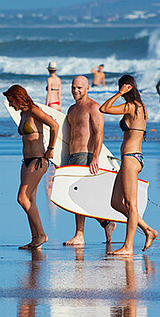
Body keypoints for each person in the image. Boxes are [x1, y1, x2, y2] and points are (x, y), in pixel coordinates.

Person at [99, 75, 158, 256]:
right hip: (130, 159)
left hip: (131, 159)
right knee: (116, 202)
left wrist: (118, 93)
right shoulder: (139, 107)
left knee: (131, 205)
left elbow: (104, 108)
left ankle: (128, 247)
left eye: (123, 88)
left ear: (128, 88)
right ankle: (148, 230)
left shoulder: (132, 106)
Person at [62, 76, 115, 247]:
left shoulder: (94, 107)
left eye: (79, 88)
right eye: (73, 87)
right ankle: (106, 223)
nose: (75, 91)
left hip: (86, 155)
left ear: (87, 89)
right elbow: (66, 136)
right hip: (72, 156)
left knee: (78, 194)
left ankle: (80, 235)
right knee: (80, 195)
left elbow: (99, 134)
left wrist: (95, 157)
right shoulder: (71, 109)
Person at [4, 84, 59, 250]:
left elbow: (54, 125)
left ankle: (41, 234)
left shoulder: (34, 110)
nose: (10, 105)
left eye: (11, 101)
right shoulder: (23, 113)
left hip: (38, 160)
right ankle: (35, 239)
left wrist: (50, 149)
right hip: (26, 161)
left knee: (22, 198)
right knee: (31, 200)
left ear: (18, 98)